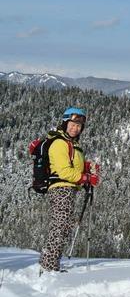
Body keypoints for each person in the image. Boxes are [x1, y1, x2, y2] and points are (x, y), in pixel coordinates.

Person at [40, 107, 99, 272]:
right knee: (60, 226)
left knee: (63, 226)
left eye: (79, 126)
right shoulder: (59, 143)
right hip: (61, 189)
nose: (76, 128)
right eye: (73, 124)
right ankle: (49, 265)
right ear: (65, 123)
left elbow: (73, 165)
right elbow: (64, 171)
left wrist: (87, 167)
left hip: (68, 189)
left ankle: (49, 263)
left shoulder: (72, 143)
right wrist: (86, 178)